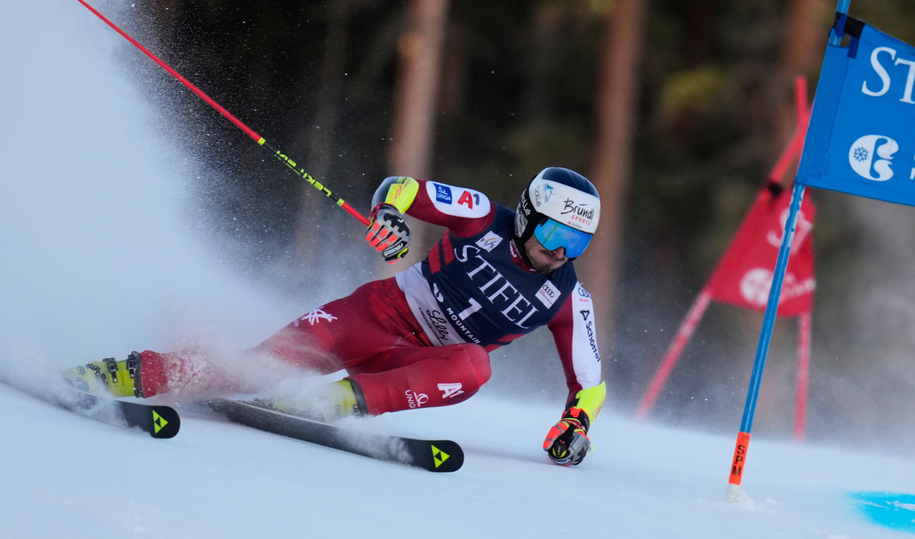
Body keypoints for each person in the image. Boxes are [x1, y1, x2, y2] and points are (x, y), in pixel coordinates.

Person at [62, 167, 606, 466]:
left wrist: (575, 426)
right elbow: (404, 189)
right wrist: (387, 216)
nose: (560, 252)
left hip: (417, 360)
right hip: (374, 314)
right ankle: (131, 372)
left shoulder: (568, 298)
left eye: (577, 241)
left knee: (474, 368)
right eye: (554, 233)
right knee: (257, 367)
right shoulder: (483, 215)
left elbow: (590, 384)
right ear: (529, 215)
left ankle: (336, 401)